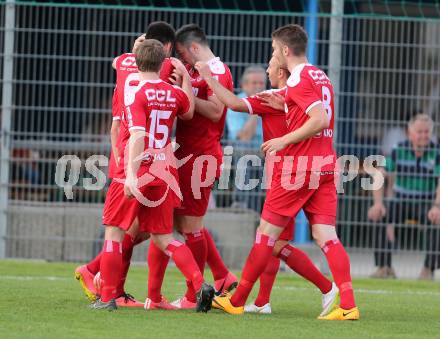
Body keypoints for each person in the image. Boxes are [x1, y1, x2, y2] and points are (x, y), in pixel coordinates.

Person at [211, 24, 359, 320]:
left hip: (298, 167)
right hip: (324, 163)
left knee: (266, 237)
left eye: (274, 50)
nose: (273, 55)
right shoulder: (319, 74)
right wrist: (287, 105)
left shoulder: (301, 77)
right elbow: (316, 113)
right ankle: (347, 304)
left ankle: (238, 299)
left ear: (286, 51)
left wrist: (283, 140)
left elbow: (319, 118)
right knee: (325, 235)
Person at [196, 56, 339, 315]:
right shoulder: (298, 97)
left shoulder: (274, 97)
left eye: (270, 68)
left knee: (269, 240)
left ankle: (324, 288)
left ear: (282, 73)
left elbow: (233, 102)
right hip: (304, 171)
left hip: (287, 175)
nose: (267, 71)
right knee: (277, 243)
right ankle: (263, 301)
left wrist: (207, 76)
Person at [90, 39, 216, 312]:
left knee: (114, 233)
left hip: (137, 167)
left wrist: (132, 175)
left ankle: (108, 297)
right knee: (163, 238)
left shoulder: (133, 91)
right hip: (165, 168)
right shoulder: (173, 92)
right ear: (163, 65)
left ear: (136, 62)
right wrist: (182, 78)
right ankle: (198, 283)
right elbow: (190, 110)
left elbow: (136, 135)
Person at [74, 21, 176, 308]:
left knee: (133, 227)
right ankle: (109, 288)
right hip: (140, 153)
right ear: (165, 50)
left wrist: (135, 49)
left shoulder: (122, 62)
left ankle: (101, 277)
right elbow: (186, 107)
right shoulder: (165, 70)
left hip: (122, 145)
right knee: (133, 229)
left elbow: (116, 61)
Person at [169, 24, 237, 309]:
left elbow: (216, 110)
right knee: (178, 222)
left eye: (184, 54)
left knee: (187, 225)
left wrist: (184, 93)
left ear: (194, 48)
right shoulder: (196, 71)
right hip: (187, 155)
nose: (183, 60)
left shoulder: (217, 71)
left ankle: (192, 294)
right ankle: (221, 276)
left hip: (202, 157)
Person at [368, 113, 440, 280]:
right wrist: (378, 203)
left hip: (426, 203)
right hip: (400, 200)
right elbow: (379, 174)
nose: (423, 135)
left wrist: (436, 207)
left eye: (426, 132)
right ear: (409, 132)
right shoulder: (398, 149)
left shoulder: (436, 152)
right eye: (419, 131)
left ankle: (428, 269)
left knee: (437, 221)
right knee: (378, 216)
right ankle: (384, 267)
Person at [225, 66, 265, 144]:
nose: (258, 87)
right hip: (240, 152)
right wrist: (256, 106)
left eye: (261, 83)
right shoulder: (235, 103)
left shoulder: (271, 100)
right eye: (254, 83)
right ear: (244, 85)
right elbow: (244, 138)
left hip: (268, 151)